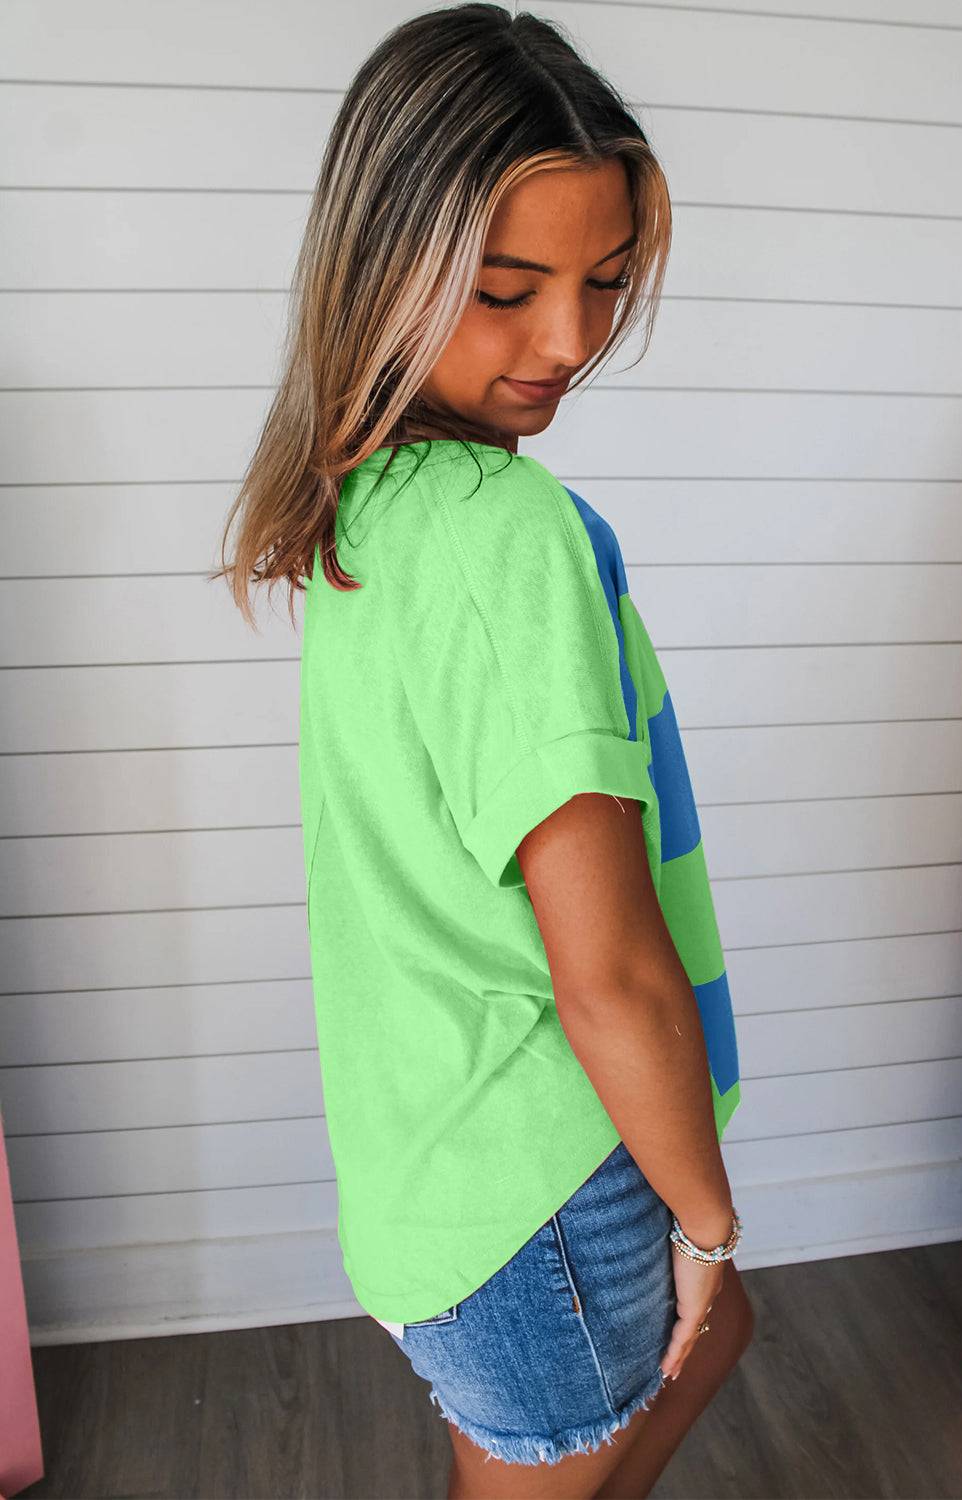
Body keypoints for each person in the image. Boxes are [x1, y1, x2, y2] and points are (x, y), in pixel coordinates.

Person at [215, 4, 755, 1494]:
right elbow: (608, 968)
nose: (570, 342)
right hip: (545, 1178)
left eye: (606, 281)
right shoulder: (504, 529)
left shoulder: (368, 504)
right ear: (382, 269)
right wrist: (707, 1220)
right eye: (507, 290)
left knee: (705, 1354)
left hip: (433, 1160)